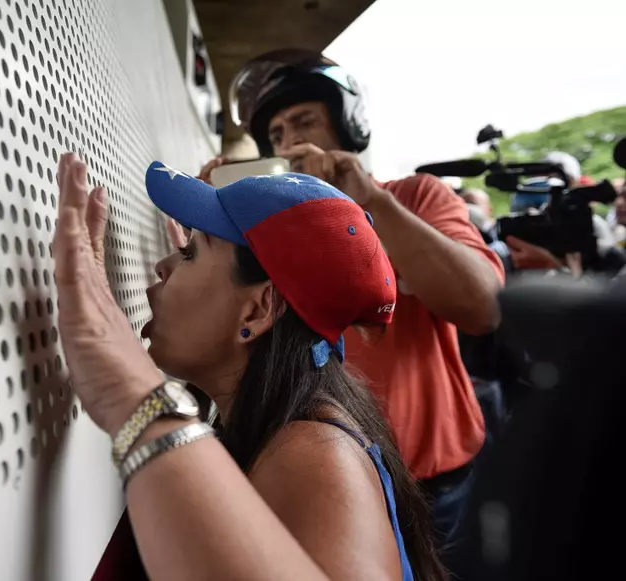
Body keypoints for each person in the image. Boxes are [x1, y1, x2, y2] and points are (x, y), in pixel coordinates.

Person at [54, 153, 446, 580]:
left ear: (258, 310)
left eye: (188, 253)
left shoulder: (314, 456)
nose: (161, 266)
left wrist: (132, 397)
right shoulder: (280, 426)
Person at [210, 50, 506, 549]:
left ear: (347, 128)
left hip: (437, 479)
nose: (290, 142)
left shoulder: (415, 196)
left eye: (304, 121)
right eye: (277, 135)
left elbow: (485, 308)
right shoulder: (275, 231)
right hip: (339, 481)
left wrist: (367, 200)